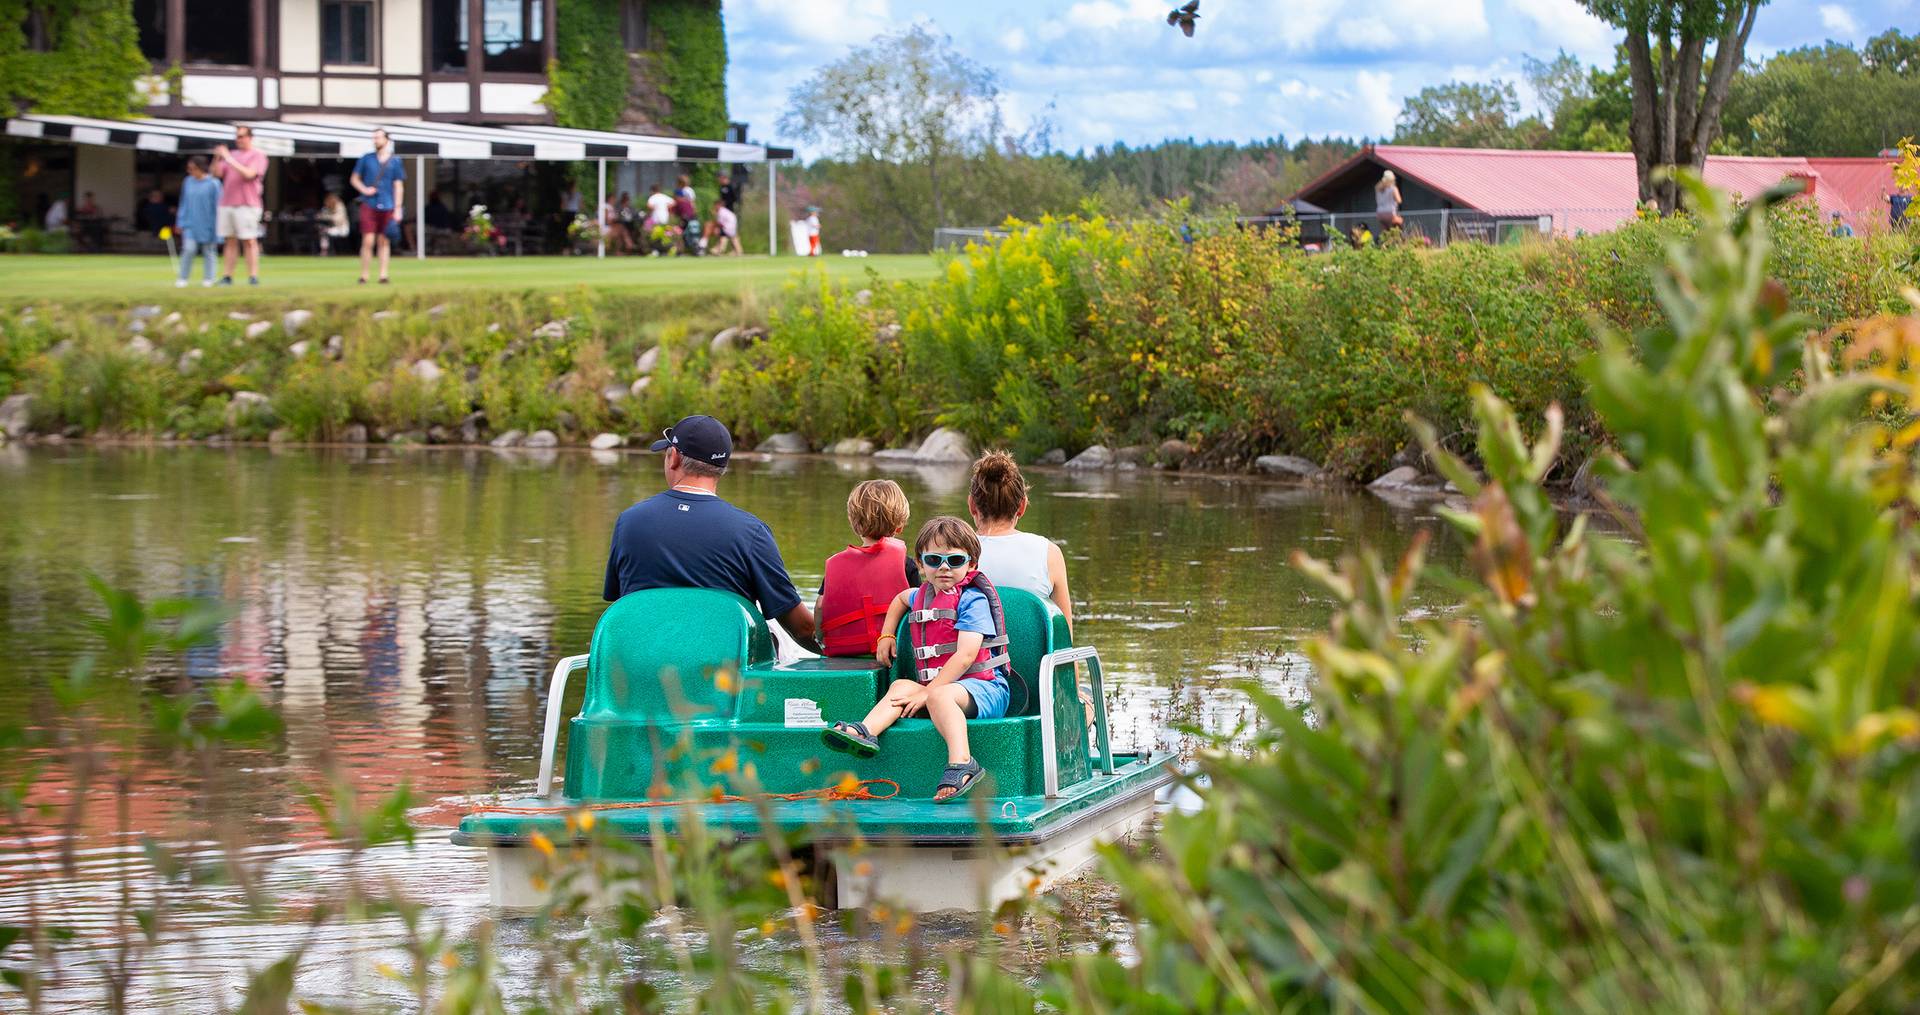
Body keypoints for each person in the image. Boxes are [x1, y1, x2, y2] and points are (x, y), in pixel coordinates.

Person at [822, 516, 1013, 803]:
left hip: (984, 690)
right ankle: (867, 732)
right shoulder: (922, 595)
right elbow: (900, 599)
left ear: (971, 564)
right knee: (899, 686)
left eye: (955, 560)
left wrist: (928, 690)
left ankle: (963, 764)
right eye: (934, 560)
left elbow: (966, 655)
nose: (944, 568)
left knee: (939, 697)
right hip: (944, 688)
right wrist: (886, 636)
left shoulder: (973, 600)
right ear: (921, 564)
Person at [603, 414, 819, 651]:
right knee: (771, 628)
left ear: (673, 457)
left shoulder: (630, 522)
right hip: (722, 678)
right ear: (722, 468)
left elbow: (623, 605)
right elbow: (802, 628)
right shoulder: (751, 532)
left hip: (645, 666)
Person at [968, 451, 1073, 631]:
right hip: (1036, 661)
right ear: (1022, 506)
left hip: (968, 659)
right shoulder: (1049, 553)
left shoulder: (951, 556)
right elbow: (1064, 638)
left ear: (971, 505)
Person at [815, 480, 920, 656]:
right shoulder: (906, 564)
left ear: (853, 523)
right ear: (900, 525)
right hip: (893, 653)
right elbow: (919, 605)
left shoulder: (836, 565)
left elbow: (819, 606)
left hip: (845, 652)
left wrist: (819, 637)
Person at [211, 124, 267, 285]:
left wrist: (228, 158)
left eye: (242, 136)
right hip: (227, 202)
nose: (239, 140)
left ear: (250, 138)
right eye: (237, 136)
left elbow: (249, 174)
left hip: (247, 203)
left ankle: (253, 276)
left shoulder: (257, 155)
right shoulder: (231, 154)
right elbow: (216, 173)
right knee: (230, 240)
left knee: (249, 240)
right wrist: (218, 157)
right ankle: (228, 276)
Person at [350, 127, 406, 284]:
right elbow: (354, 178)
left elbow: (398, 185)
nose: (375, 140)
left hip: (388, 204)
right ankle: (364, 274)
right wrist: (364, 190)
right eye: (374, 138)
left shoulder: (395, 161)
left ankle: (383, 274)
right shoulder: (366, 159)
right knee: (367, 241)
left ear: (386, 139)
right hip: (370, 203)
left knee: (384, 240)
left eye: (378, 137)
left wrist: (398, 208)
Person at [173, 156, 222, 288]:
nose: (191, 171)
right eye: (189, 169)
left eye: (193, 169)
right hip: (191, 223)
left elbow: (218, 205)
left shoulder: (213, 183)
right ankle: (183, 278)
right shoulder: (188, 182)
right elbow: (184, 203)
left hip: (208, 223)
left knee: (209, 251)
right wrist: (180, 221)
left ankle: (209, 278)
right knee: (188, 249)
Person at [674, 175, 701, 255]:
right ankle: (693, 250)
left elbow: (678, 201)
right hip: (690, 214)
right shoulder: (690, 190)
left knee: (682, 231)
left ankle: (681, 250)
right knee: (691, 232)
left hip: (685, 214)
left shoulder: (680, 191)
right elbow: (693, 203)